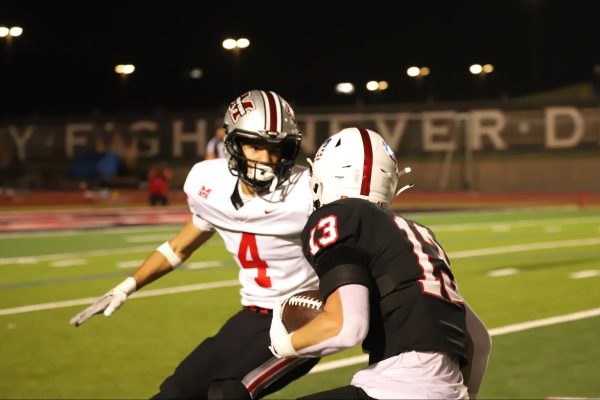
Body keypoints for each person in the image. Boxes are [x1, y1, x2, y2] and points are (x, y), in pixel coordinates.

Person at [69, 90, 321, 399]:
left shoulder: (309, 192)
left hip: (300, 316)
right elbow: (178, 248)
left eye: (276, 148)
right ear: (232, 142)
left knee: (226, 394)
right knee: (175, 392)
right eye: (255, 146)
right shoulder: (208, 183)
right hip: (252, 314)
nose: (267, 159)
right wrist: (126, 286)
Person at [269, 127, 492, 399]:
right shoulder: (418, 235)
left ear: (322, 178)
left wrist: (285, 344)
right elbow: (478, 342)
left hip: (395, 388)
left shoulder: (336, 218)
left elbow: (346, 328)